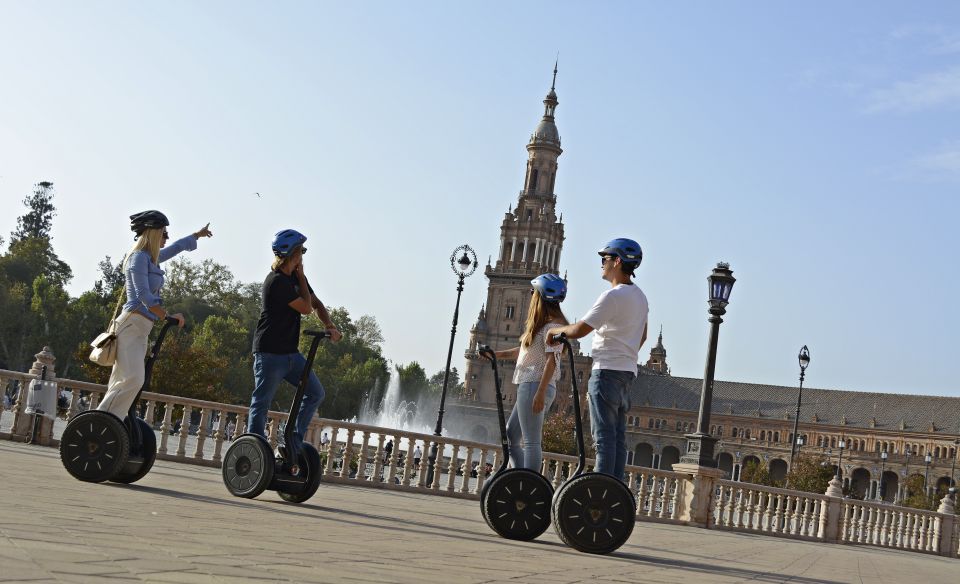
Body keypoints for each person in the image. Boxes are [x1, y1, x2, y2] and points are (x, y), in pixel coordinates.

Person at [548, 238, 648, 480]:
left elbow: (581, 329)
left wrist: (554, 331)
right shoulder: (640, 297)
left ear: (617, 261)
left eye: (604, 259)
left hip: (605, 372)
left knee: (603, 438)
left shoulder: (612, 296)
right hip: (627, 373)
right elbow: (642, 336)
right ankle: (614, 487)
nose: (602, 264)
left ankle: (601, 492)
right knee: (617, 437)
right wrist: (625, 352)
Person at [96, 211, 212, 419]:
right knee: (133, 379)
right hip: (131, 324)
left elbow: (177, 248)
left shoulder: (152, 259)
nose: (166, 237)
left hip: (141, 328)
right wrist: (167, 315)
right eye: (164, 233)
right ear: (153, 233)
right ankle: (103, 420)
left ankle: (110, 423)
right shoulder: (138, 258)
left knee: (124, 380)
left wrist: (196, 235)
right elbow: (143, 295)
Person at [246, 229, 342, 458]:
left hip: (290, 354)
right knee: (261, 403)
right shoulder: (276, 282)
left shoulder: (295, 279)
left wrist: (330, 326)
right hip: (269, 353)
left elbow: (316, 303)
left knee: (315, 393)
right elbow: (307, 308)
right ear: (292, 254)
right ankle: (253, 451)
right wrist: (300, 277)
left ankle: (292, 442)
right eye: (302, 251)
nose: (304, 256)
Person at [493, 273, 568, 472]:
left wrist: (541, 392)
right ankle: (520, 476)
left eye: (533, 291)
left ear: (541, 296)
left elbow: (552, 360)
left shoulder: (554, 326)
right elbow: (525, 351)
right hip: (531, 384)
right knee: (511, 435)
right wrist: (496, 354)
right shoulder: (545, 325)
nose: (531, 295)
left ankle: (529, 485)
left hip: (535, 384)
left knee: (532, 442)